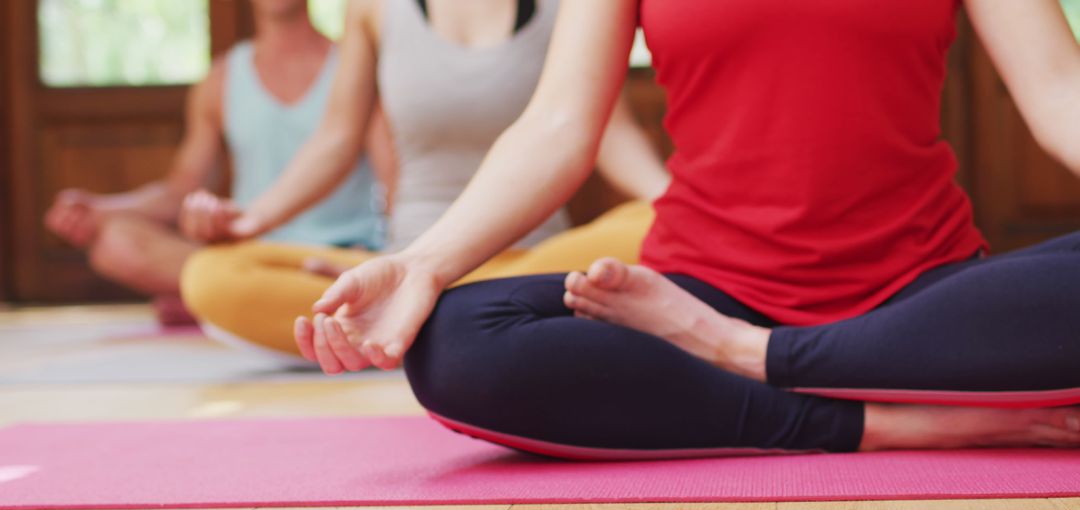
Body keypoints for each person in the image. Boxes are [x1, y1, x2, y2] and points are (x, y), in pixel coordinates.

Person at [296, 0, 1080, 457]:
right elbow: (561, 125)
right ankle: (884, 419)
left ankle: (750, 358)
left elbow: (1057, 87)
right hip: (694, 292)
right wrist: (424, 263)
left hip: (914, 297)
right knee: (456, 341)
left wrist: (733, 345)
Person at [180, 0, 670, 357]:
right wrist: (252, 218)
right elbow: (336, 139)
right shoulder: (372, 8)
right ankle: (445, 313)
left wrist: (671, 202)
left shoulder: (570, 7)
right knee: (213, 274)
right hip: (407, 260)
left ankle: (419, 319)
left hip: (541, 262)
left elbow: (606, 130)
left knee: (649, 225)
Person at [44, 0, 387, 323]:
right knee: (114, 243)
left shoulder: (353, 68)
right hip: (251, 257)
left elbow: (392, 181)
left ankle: (221, 304)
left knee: (351, 273)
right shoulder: (222, 79)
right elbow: (182, 188)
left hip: (336, 256)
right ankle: (253, 302)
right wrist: (103, 210)